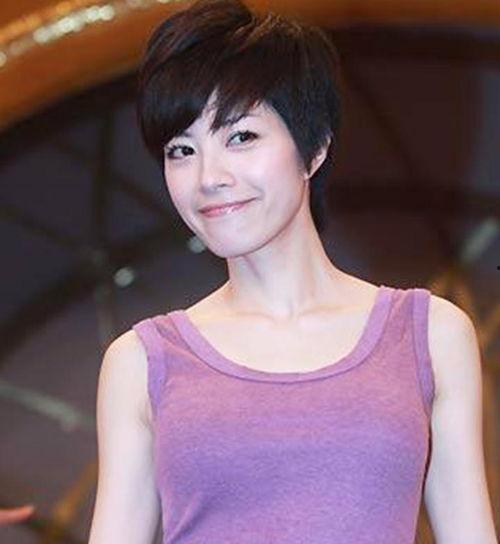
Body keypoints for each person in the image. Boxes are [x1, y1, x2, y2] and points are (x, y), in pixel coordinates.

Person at [88, 0, 498, 542]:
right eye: (181, 150)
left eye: (241, 137)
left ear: (315, 147)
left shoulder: (429, 334)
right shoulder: (143, 361)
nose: (208, 177)